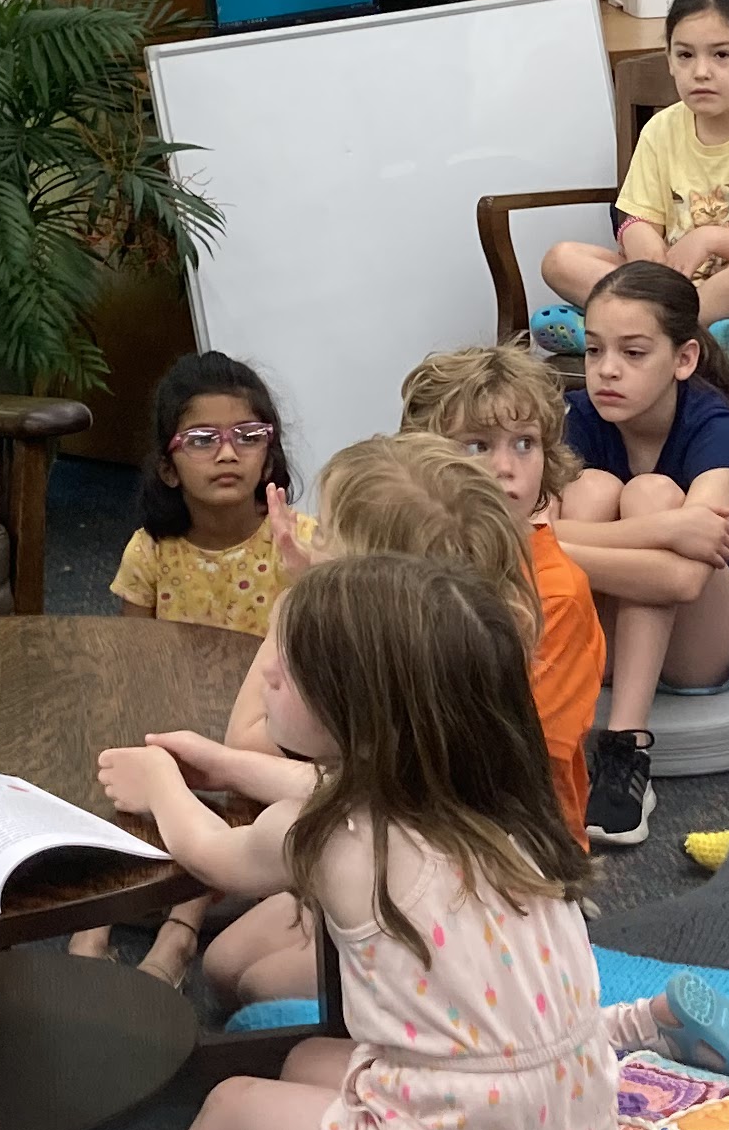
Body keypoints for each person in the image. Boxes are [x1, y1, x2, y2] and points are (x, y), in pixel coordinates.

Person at [13, 555, 729, 1130]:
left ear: (361, 710)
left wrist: (161, 786)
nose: (268, 669)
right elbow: (342, 791)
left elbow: (212, 855)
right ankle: (637, 1030)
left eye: (294, 664)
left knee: (231, 1110)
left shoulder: (327, 837)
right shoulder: (494, 809)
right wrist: (225, 762)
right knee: (312, 1059)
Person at [137, 431, 560, 1006]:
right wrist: (229, 769)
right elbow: (352, 785)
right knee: (225, 965)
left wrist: (299, 601)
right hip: (423, 889)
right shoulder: (451, 681)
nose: (309, 539)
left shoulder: (355, 722)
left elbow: (241, 790)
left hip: (430, 940)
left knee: (258, 988)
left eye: (328, 537)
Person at [551, 261, 729, 851]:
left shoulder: (714, 426)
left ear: (684, 359)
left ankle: (627, 748)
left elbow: (681, 580)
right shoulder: (580, 418)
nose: (607, 371)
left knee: (649, 494)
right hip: (608, 640)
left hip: (712, 637)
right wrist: (672, 528)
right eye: (594, 351)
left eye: (633, 352)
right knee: (595, 488)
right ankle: (539, 727)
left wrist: (548, 547)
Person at [536, 0, 729, 367]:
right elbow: (637, 217)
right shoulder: (661, 128)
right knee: (561, 258)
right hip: (669, 283)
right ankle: (693, 340)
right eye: (685, 55)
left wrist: (710, 238)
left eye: (721, 55)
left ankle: (614, 334)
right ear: (669, 59)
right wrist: (648, 251)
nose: (701, 71)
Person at [398, 341, 609, 840]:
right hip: (423, 808)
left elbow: (518, 760)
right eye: (476, 445)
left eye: (524, 443)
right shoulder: (409, 563)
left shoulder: (555, 593)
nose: (505, 467)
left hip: (523, 843)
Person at [106, 349, 305, 630]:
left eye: (248, 437)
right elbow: (135, 657)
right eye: (201, 440)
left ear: (269, 461)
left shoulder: (302, 543)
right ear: (169, 470)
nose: (227, 454)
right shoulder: (149, 553)